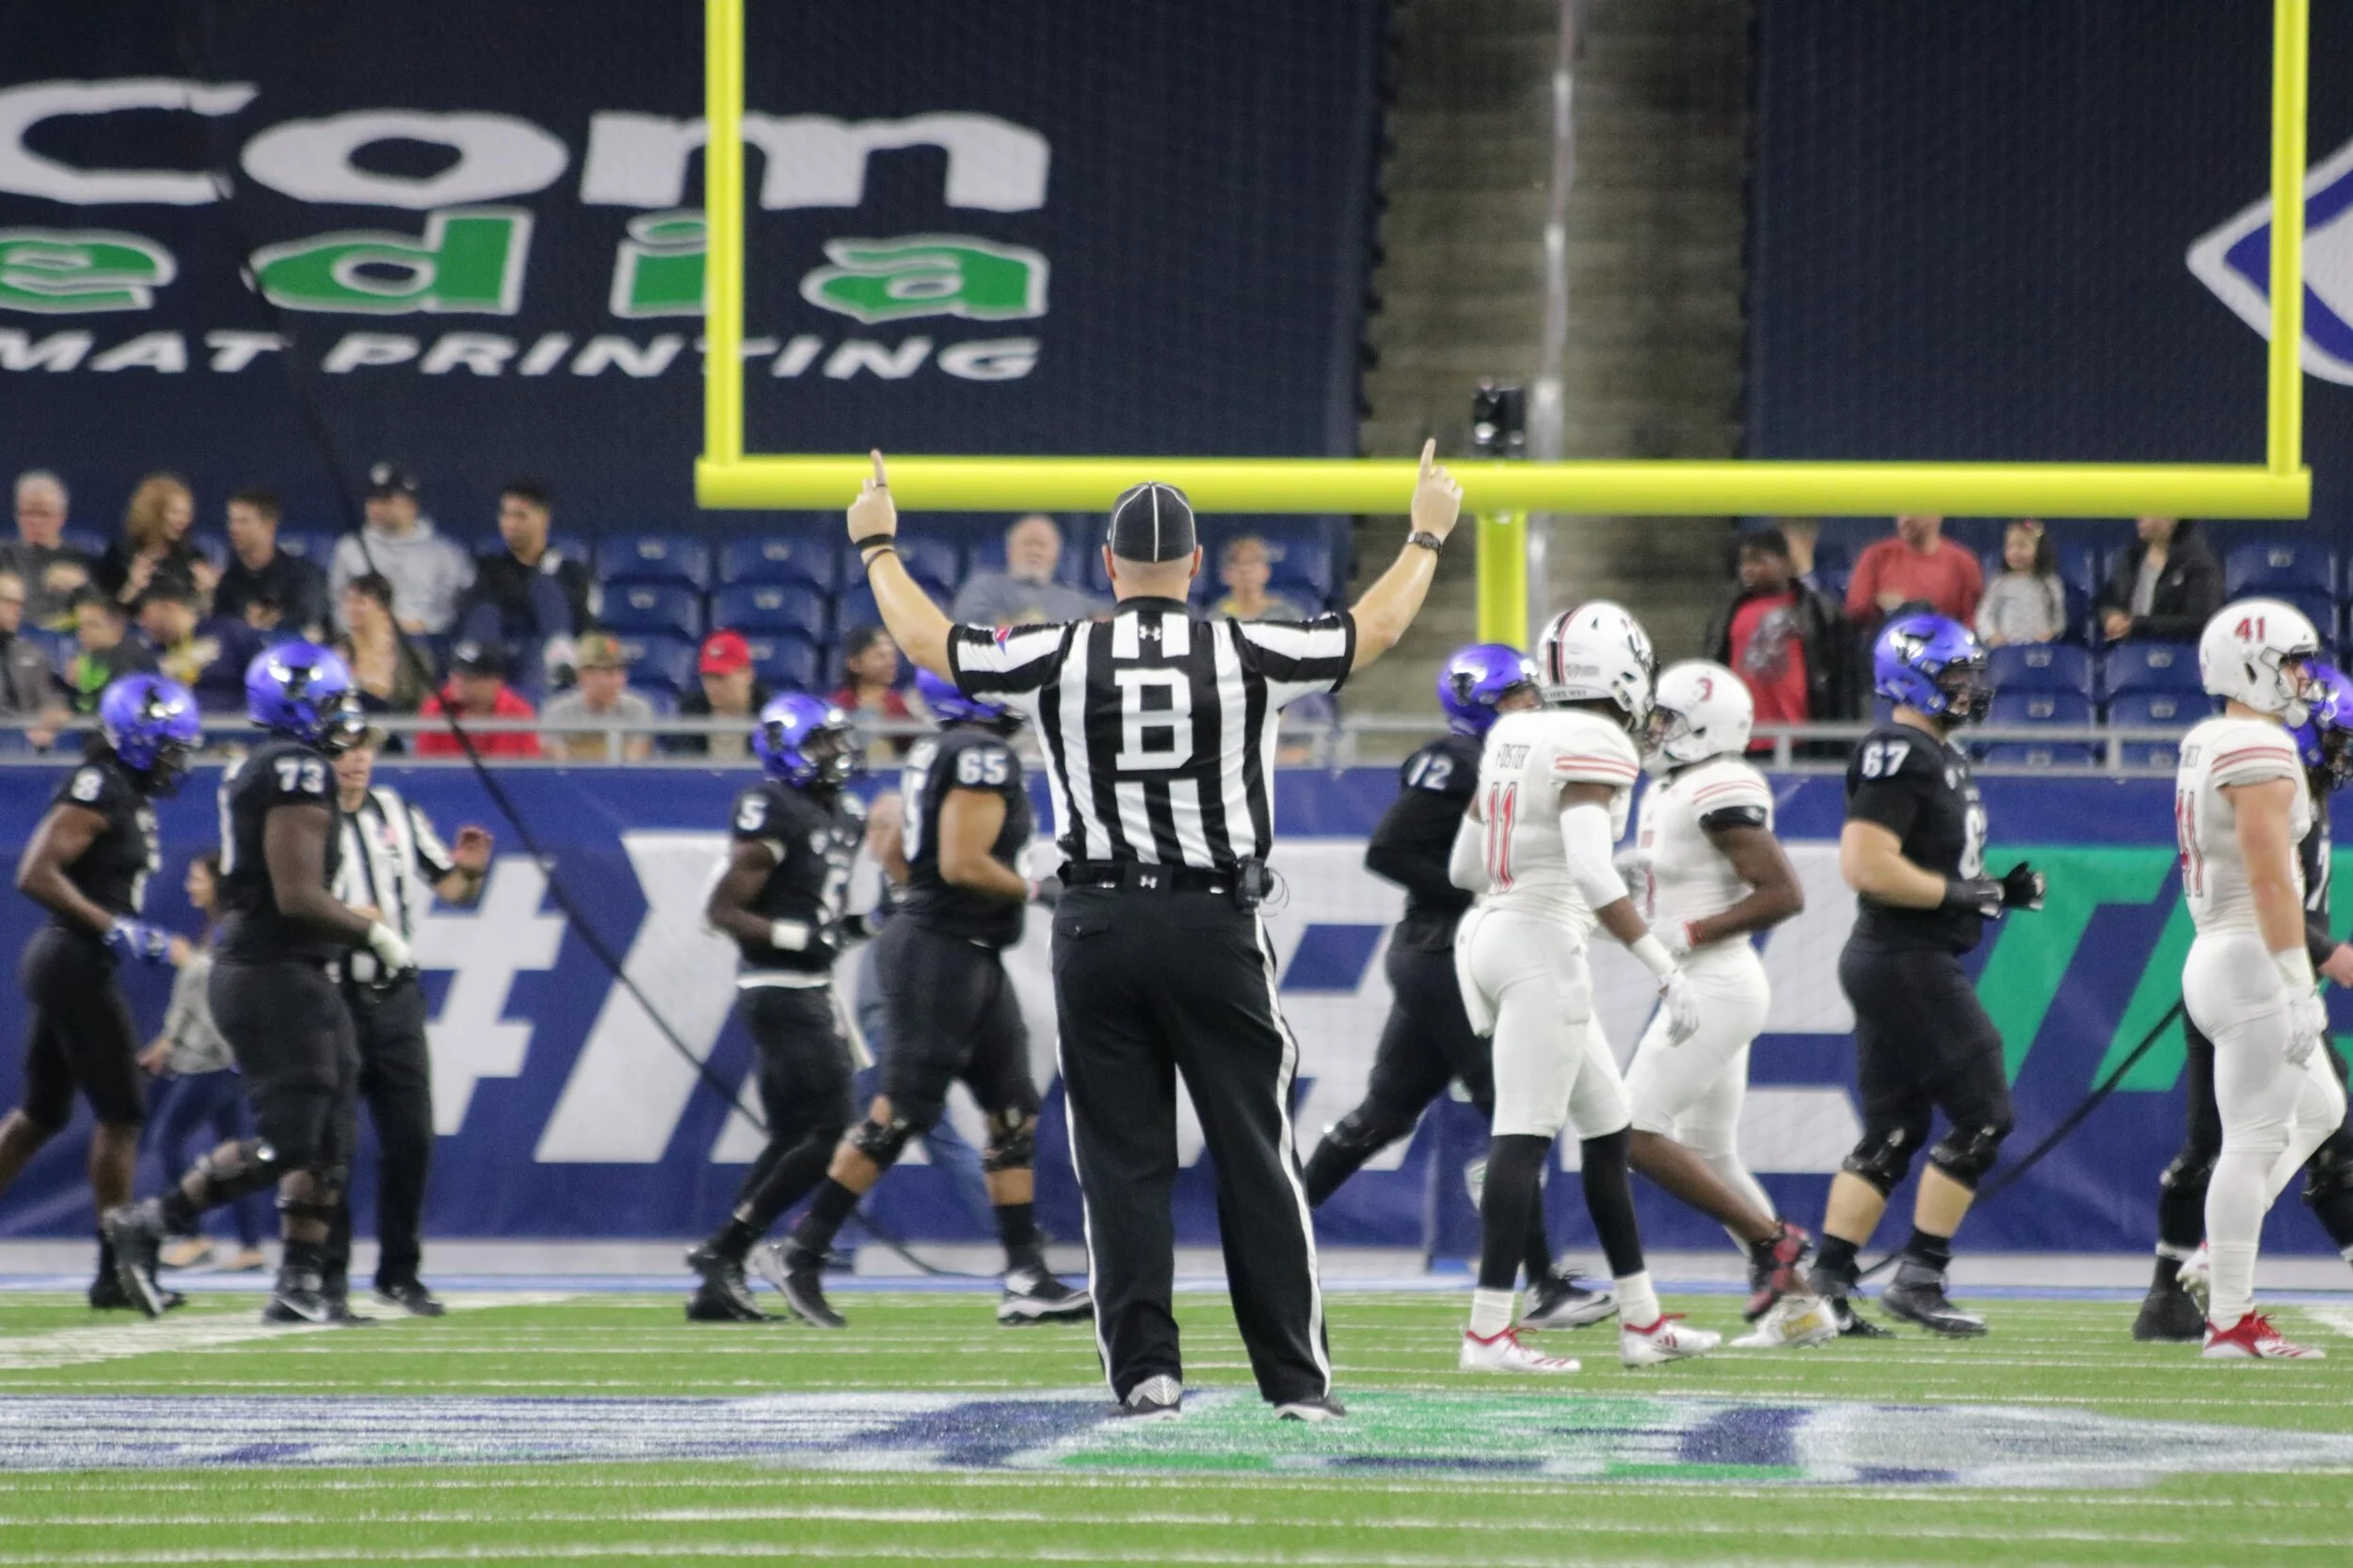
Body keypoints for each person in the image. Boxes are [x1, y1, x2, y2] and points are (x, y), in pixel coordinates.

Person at [850, 440, 1462, 1423]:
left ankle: (1146, 1375)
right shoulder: (1244, 648)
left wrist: (878, 546)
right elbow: (1375, 628)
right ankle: (1295, 1383)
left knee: (1120, 1164)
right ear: (1195, 564)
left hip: (1095, 922)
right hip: (1212, 920)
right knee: (1255, 1153)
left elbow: (932, 646)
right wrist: (1426, 532)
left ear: (1106, 564)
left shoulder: (1060, 650)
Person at [770, 669, 1091, 1329]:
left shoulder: (946, 747)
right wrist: (1037, 890)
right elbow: (961, 863)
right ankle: (802, 1252)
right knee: (901, 1112)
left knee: (1012, 1113)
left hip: (967, 946)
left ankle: (1025, 1275)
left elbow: (897, 838)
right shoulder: (978, 751)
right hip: (941, 949)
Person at [1447, 603, 1721, 1376]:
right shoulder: (1596, 740)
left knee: (1608, 1129)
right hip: (1538, 949)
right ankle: (1487, 1335)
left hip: (1494, 933)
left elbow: (1466, 868)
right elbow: (1591, 869)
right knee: (1522, 1136)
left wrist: (1560, 890)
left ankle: (1642, 1322)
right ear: (1623, 671)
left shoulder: (1514, 731)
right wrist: (1663, 966)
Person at [1298, 645, 1606, 1331]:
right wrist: (1486, 892)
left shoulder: (1510, 759)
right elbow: (1389, 850)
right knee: (1516, 1113)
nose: (1530, 705)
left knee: (1383, 1115)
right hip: (1444, 956)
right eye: (1514, 696)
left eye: (1531, 693)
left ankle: (1272, 1231)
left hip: (1446, 956)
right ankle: (1544, 1285)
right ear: (1477, 705)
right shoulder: (1458, 760)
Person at [105, 643, 414, 1324]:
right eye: (330, 703)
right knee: (295, 1141)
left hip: (293, 967)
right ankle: (152, 1221)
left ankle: (300, 1282)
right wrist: (374, 935)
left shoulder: (279, 765)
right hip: (272, 970)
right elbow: (298, 895)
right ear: (299, 707)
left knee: (331, 1136)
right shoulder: (294, 767)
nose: (343, 716)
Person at [1803, 614, 2045, 1338]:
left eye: (1970, 673)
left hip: (1898, 957)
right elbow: (1866, 865)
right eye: (1953, 675)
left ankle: (1824, 1287)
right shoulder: (1899, 750)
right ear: (1910, 679)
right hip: (1902, 958)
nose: (1969, 687)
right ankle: (1920, 1276)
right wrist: (1965, 894)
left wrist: (1989, 889)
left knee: (1894, 1131)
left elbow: (1929, 867)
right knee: (1984, 1115)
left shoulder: (1934, 751)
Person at [2136, 660, 2353, 1342]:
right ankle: (2201, 1295)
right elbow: (2268, 891)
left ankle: (2186, 1282)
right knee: (2257, 1136)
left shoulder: (2283, 787)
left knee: (2313, 1115)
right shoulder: (2268, 785)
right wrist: (2322, 959)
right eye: (2336, 738)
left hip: (2250, 972)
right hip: (2254, 975)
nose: (2341, 755)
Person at [1621, 661, 1831, 1349]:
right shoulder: (1670, 788)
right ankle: (1801, 1310)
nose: (1654, 730)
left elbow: (1784, 893)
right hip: (1700, 982)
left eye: (1668, 720)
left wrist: (1688, 932)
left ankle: (1775, 1244)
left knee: (1632, 1132)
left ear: (1706, 728)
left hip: (1719, 980)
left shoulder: (1720, 782)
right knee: (1711, 1152)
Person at [0, 676, 198, 1308]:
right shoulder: (99, 785)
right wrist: (115, 928)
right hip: (74, 959)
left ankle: (115, 1270)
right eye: (168, 746)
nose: (176, 759)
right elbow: (35, 872)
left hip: (73, 960)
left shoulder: (127, 793)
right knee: (123, 1114)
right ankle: (116, 1269)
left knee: (41, 1115)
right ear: (136, 741)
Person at [680, 695, 868, 1321]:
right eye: (821, 743)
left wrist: (869, 923)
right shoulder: (773, 808)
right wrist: (795, 936)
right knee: (833, 1130)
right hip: (779, 990)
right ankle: (727, 1248)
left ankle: (720, 1275)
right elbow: (723, 911)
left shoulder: (840, 815)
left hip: (808, 988)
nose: (837, 753)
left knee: (794, 1134)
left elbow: (822, 925)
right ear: (787, 751)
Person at [327, 729, 492, 1316]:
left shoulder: (394, 810)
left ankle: (399, 1273)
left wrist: (471, 872)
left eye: (364, 747)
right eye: (343, 748)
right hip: (332, 995)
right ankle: (328, 1277)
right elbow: (288, 901)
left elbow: (452, 888)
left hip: (394, 995)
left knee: (411, 1138)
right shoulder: (304, 818)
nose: (356, 759)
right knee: (333, 1145)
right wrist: (346, 917)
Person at [139, 853, 269, 1274]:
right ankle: (251, 1245)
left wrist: (188, 961)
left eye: (197, 878)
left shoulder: (230, 929)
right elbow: (198, 999)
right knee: (237, 1152)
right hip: (224, 1059)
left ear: (218, 883)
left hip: (215, 1061)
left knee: (167, 1139)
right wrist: (166, 1042)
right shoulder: (217, 927)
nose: (189, 886)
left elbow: (220, 987)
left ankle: (193, 1234)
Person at [1702, 527, 1851, 734]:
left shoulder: (1817, 611)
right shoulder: (1729, 612)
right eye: (1745, 563)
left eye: (1759, 561)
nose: (1749, 569)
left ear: (1785, 564)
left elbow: (1838, 677)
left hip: (1798, 732)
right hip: (1741, 730)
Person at [456, 479, 598, 681]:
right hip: (498, 654)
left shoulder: (570, 570)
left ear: (544, 519)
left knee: (545, 586)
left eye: (520, 516)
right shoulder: (489, 566)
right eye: (505, 515)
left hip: (548, 655)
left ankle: (560, 656)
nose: (510, 524)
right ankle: (474, 660)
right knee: (485, 608)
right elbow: (481, 605)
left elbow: (582, 618)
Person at [328, 463, 474, 636]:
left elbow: (459, 607)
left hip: (428, 642)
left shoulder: (447, 553)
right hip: (364, 639)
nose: (376, 507)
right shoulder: (350, 548)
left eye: (386, 500)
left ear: (411, 505)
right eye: (371, 499)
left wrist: (425, 625)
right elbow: (337, 603)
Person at [949, 513, 1106, 626]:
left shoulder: (1074, 599)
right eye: (1028, 543)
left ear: (1056, 554)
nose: (1035, 551)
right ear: (1009, 549)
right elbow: (965, 621)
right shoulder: (984, 585)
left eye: (1042, 545)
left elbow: (1112, 618)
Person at [136, 580, 267, 713]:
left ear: (168, 606)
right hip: (178, 723)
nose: (141, 623)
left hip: (231, 721)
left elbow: (265, 684)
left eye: (144, 613)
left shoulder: (230, 633)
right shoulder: (150, 655)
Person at [212, 488, 328, 639]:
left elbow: (311, 624)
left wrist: (275, 623)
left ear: (269, 526)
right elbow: (220, 631)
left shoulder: (302, 577)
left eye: (243, 521)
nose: (233, 528)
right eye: (231, 521)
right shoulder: (229, 582)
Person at [94, 473, 214, 614]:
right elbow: (102, 615)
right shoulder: (119, 557)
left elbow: (206, 615)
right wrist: (132, 587)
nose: (183, 521)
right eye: (175, 512)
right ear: (153, 512)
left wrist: (207, 592)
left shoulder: (192, 559)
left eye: (186, 514)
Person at [1845, 515, 1982, 635]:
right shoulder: (1876, 556)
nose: (1906, 519)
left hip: (1942, 647)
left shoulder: (1963, 563)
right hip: (1885, 646)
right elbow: (1855, 612)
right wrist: (1877, 602)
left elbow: (1972, 624)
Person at [2096, 516, 2225, 645]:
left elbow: (2201, 621)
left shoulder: (2200, 564)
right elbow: (2106, 599)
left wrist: (2137, 625)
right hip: (2127, 650)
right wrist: (2109, 616)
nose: (2139, 517)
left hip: (2176, 651)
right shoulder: (2131, 557)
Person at [415, 642, 542, 760]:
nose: (458, 682)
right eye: (455, 675)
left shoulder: (517, 711)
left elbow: (528, 765)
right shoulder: (436, 707)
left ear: (495, 682)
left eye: (469, 678)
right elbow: (426, 764)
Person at [540, 632, 655, 760]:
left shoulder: (637, 709)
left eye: (621, 672)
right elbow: (561, 768)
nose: (619, 681)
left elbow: (633, 766)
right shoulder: (557, 712)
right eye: (609, 673)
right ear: (584, 676)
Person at [335, 572, 436, 717]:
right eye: (348, 601)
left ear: (383, 607)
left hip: (402, 724)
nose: (351, 608)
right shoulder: (339, 651)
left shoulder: (411, 653)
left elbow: (425, 703)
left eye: (360, 602)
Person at [6, 471, 92, 629]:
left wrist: (82, 586)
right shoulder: (4, 555)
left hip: (62, 637)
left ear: (61, 518)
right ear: (17, 516)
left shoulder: (81, 558)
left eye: (44, 514)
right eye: (28, 513)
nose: (36, 522)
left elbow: (102, 613)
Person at [667, 631, 770, 760]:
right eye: (707, 677)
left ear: (747, 674)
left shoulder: (770, 715)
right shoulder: (690, 713)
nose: (712, 686)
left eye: (720, 677)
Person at [830, 625, 918, 764]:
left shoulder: (902, 705)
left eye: (893, 656)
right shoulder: (838, 704)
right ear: (854, 663)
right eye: (880, 656)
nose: (891, 663)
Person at [1975, 520, 2067, 648]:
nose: (2015, 552)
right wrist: (1992, 635)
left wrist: (2051, 632)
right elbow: (1984, 615)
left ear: (2039, 550)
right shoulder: (2000, 583)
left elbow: (2059, 618)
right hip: (2006, 649)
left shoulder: (2050, 583)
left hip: (2040, 650)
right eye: (2009, 547)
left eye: (2022, 546)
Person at [64, 590, 158, 714]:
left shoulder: (130, 657)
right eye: (80, 626)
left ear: (117, 626)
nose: (82, 633)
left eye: (93, 625)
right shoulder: (93, 656)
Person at [0, 570, 59, 719]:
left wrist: (53, 712)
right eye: (9, 602)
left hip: (23, 731)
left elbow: (48, 700)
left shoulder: (31, 653)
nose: (18, 611)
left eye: (20, 604)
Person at [1211, 535, 1306, 621]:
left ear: (1266, 571)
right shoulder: (1215, 617)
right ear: (1226, 574)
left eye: (1253, 561)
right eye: (1237, 563)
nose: (1245, 569)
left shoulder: (1288, 614)